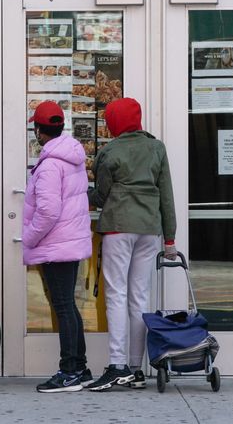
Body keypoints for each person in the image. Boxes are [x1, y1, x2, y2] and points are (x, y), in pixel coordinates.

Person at [86, 97, 177, 392]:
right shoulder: (156, 148)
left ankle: (116, 365)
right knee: (139, 297)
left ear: (114, 122)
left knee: (115, 294)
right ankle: (136, 369)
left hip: (118, 228)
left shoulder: (110, 151)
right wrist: (170, 238)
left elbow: (100, 196)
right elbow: (167, 196)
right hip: (149, 230)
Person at [22, 101, 94, 393]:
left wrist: (28, 238)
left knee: (63, 307)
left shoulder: (51, 164)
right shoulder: (71, 157)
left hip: (55, 245)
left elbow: (48, 212)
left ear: (39, 130)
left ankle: (69, 372)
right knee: (68, 305)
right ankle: (80, 367)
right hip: (68, 242)